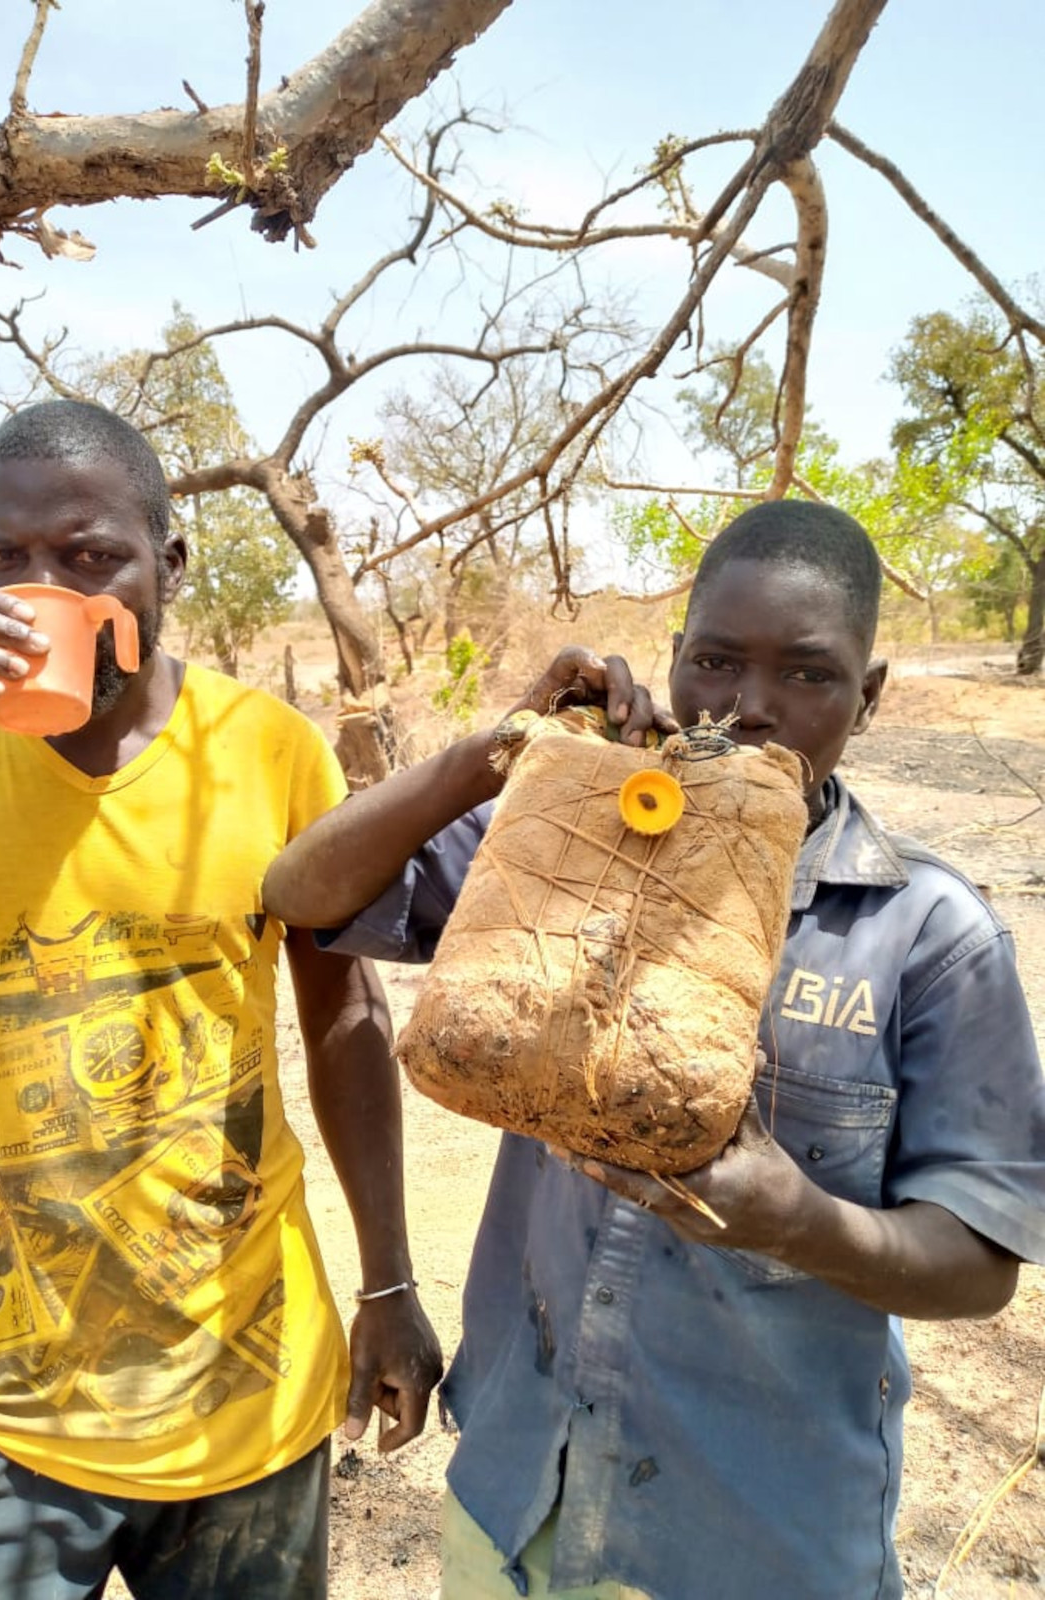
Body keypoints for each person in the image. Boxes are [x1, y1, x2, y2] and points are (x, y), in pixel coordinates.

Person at [262, 500, 1045, 1600]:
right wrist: (503, 751)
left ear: (869, 697)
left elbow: (981, 1267)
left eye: (809, 676)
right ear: (674, 661)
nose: (751, 709)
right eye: (717, 661)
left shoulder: (928, 933)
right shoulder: (573, 834)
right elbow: (301, 891)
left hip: (747, 1543)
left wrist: (796, 1219)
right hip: (514, 1500)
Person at [0, 398, 442, 1600]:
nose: (40, 587)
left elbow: (345, 1018)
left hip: (246, 1405)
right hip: (2, 1410)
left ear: (170, 563)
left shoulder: (267, 750)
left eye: (88, 556)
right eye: (1, 558)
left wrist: (388, 1283)